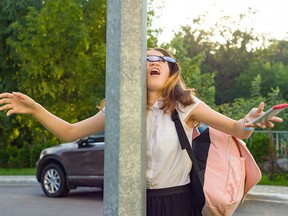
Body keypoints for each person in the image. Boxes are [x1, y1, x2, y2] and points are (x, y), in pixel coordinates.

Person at [0, 47, 283, 216]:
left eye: (161, 59)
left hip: (178, 201)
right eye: (147, 59)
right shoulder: (120, 109)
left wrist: (250, 122)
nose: (154, 62)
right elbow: (70, 132)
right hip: (133, 202)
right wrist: (37, 109)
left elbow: (235, 128)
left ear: (171, 71)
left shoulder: (187, 106)